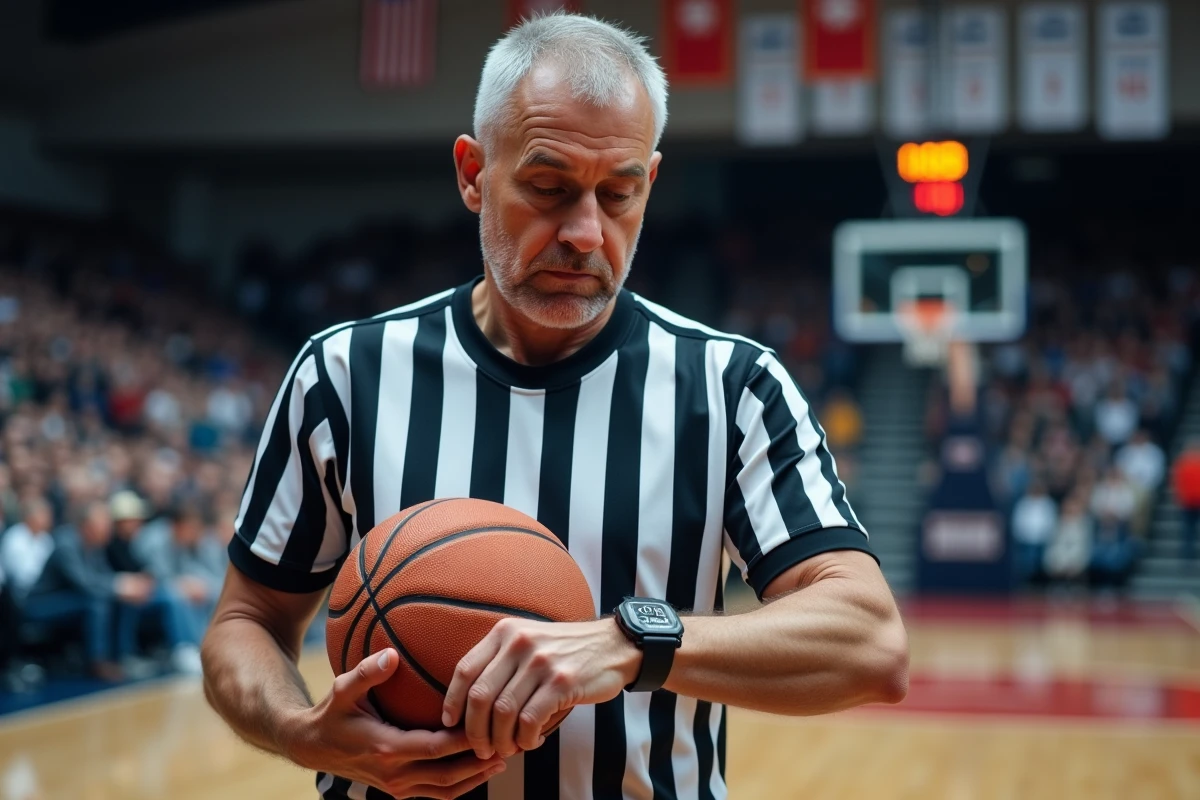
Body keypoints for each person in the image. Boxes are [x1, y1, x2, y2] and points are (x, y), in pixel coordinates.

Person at [201, 14, 907, 800]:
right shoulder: (342, 373)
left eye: (619, 193)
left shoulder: (732, 386)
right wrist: (300, 731)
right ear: (473, 173)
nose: (583, 231)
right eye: (548, 186)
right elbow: (247, 621)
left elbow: (870, 641)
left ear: (651, 182)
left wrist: (632, 644)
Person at [1010, 481, 1057, 586]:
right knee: (1024, 563)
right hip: (1025, 542)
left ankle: (1039, 586)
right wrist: (1024, 538)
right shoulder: (1023, 503)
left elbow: (1051, 523)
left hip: (1043, 541)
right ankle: (1024, 585)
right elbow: (1017, 524)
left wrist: (1041, 537)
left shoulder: (1048, 504)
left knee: (1041, 563)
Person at [1172, 438, 1200, 563]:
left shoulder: (1183, 463)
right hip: (1188, 501)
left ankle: (1188, 554)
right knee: (1188, 529)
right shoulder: (1182, 463)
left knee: (1188, 529)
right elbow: (1178, 483)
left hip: (1195, 500)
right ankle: (1187, 555)